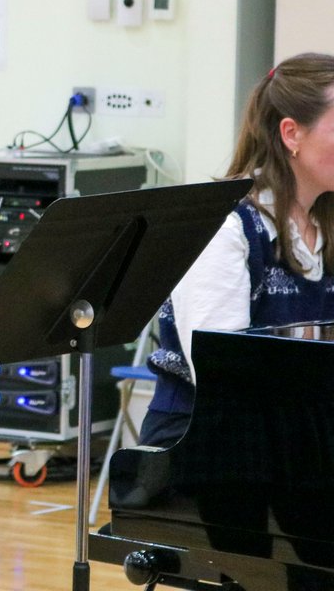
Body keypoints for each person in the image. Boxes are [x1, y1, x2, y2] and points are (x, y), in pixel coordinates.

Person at [141, 52, 334, 449]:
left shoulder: (325, 223)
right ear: (291, 134)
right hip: (206, 448)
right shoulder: (227, 228)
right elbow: (223, 381)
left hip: (293, 441)